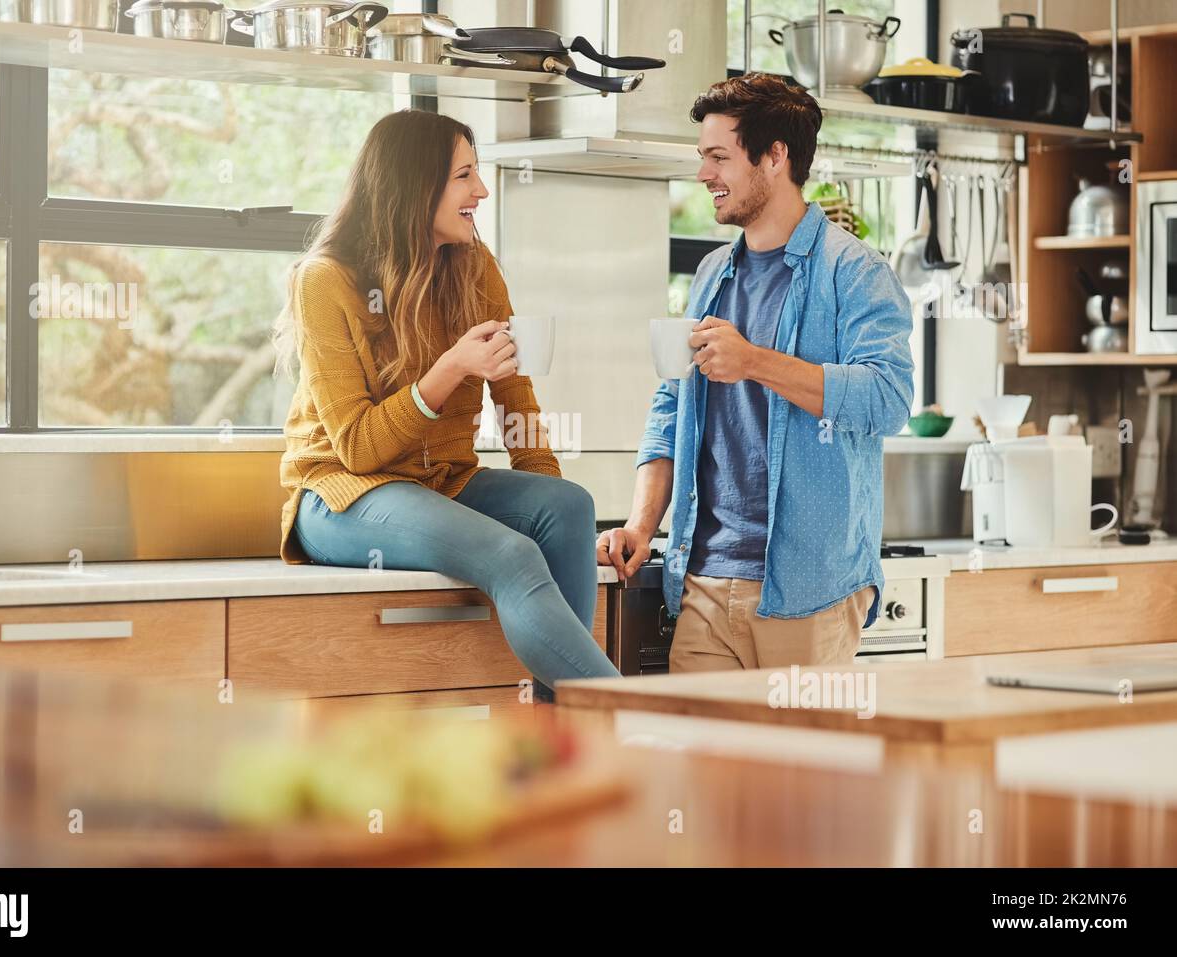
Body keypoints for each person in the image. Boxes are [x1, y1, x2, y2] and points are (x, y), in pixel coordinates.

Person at [273, 109, 620, 702]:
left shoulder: (474, 268)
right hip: (341, 497)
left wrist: (544, 493)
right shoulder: (325, 280)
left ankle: (565, 727)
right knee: (510, 555)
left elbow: (516, 396)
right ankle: (637, 718)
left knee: (568, 506)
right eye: (465, 176)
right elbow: (359, 449)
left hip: (443, 483)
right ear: (415, 185)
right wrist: (450, 369)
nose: (481, 191)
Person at [598, 74, 914, 672]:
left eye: (719, 158)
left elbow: (889, 398)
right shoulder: (713, 273)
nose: (703, 175)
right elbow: (673, 407)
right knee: (697, 764)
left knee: (799, 768)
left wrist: (754, 363)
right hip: (703, 584)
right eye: (703, 157)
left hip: (809, 591)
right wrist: (641, 523)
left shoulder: (855, 271)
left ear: (776, 157)